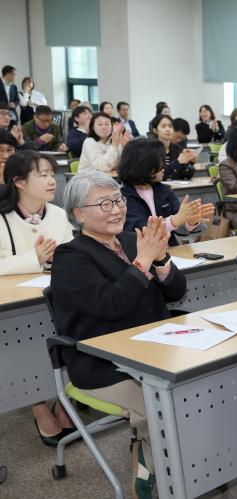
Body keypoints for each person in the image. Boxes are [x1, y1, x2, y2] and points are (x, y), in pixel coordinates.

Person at [52, 171, 187, 497]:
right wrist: (143, 260)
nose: (116, 209)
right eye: (105, 204)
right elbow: (111, 305)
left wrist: (161, 258)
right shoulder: (71, 256)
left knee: (197, 389)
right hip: (104, 362)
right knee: (163, 409)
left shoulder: (131, 239)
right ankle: (152, 476)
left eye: (118, 200)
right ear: (79, 214)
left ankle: (178, 466)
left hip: (153, 349)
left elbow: (177, 291)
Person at [0, 151, 75, 447]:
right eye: (42, 175)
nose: (51, 180)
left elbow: (72, 253)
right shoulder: (3, 217)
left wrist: (59, 258)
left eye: (51, 174)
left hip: (55, 295)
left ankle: (64, 397)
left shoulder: (57, 214)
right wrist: (35, 258)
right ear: (18, 182)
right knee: (21, 342)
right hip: (13, 304)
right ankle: (37, 405)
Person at [118, 139, 214, 246]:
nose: (164, 166)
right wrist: (174, 221)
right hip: (141, 252)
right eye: (160, 162)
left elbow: (178, 227)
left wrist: (190, 222)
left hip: (169, 250)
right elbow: (139, 229)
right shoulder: (122, 197)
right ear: (144, 164)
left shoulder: (164, 191)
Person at [150, 114, 196, 180]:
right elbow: (154, 176)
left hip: (176, 186)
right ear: (155, 130)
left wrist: (190, 162)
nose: (168, 129)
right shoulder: (149, 150)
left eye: (170, 126)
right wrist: (178, 162)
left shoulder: (179, 149)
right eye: (163, 126)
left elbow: (187, 176)